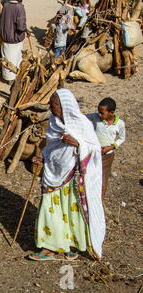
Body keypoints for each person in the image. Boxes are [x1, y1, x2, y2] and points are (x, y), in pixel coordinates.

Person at [28, 89, 106, 261]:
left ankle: (69, 243)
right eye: (50, 103)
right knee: (50, 207)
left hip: (72, 175)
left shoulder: (81, 124)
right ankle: (50, 246)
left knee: (70, 208)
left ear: (64, 105)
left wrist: (78, 144)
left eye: (53, 104)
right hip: (53, 172)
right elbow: (50, 146)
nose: (50, 106)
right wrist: (43, 156)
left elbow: (94, 149)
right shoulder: (53, 122)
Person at [87, 98, 125, 199]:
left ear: (111, 112)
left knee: (103, 178)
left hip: (107, 156)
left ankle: (100, 200)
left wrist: (111, 147)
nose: (99, 115)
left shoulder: (120, 124)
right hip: (93, 153)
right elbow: (82, 118)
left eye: (102, 113)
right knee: (90, 176)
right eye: (98, 112)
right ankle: (89, 198)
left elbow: (122, 138)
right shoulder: (96, 117)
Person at [0, 0, 28, 84]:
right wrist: (25, 29)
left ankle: (7, 78)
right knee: (15, 60)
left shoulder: (6, 6)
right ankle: (12, 79)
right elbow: (21, 27)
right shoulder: (19, 7)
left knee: (7, 58)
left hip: (5, 38)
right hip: (15, 40)